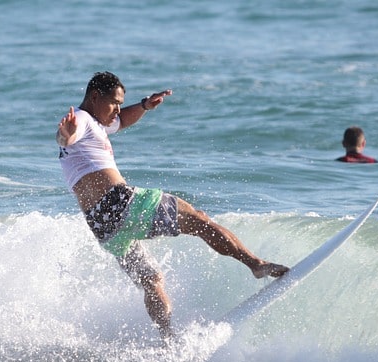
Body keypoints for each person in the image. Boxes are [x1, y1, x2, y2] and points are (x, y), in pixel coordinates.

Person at [56, 71, 289, 340]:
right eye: (114, 103)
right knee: (200, 220)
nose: (118, 109)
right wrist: (66, 134)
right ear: (95, 97)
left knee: (152, 280)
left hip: (102, 225)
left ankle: (168, 342)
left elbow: (120, 122)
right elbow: (67, 138)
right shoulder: (82, 120)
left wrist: (143, 106)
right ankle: (256, 265)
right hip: (121, 203)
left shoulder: (98, 122)